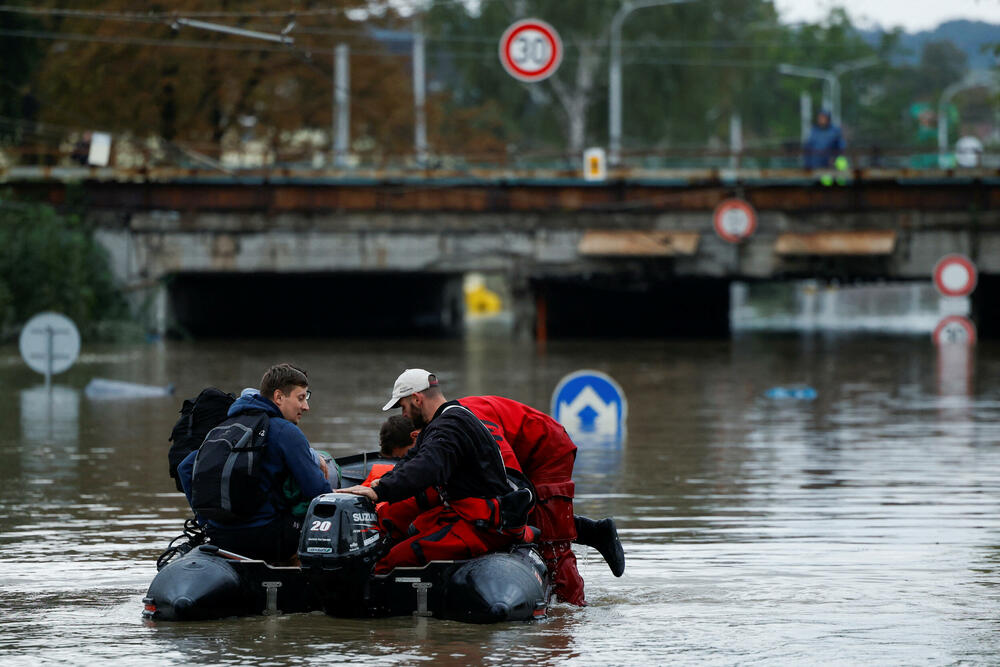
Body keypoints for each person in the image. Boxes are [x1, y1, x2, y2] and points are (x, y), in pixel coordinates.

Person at [338, 369, 527, 573]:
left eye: (403, 407)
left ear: (417, 399)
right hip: (463, 513)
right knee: (395, 522)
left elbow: (428, 466)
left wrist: (381, 490)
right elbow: (412, 460)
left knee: (392, 561)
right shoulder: (446, 420)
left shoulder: (450, 426)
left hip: (480, 525)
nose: (404, 415)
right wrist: (380, 483)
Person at [458, 395, 625, 607]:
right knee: (532, 520)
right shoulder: (444, 424)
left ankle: (573, 612)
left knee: (553, 545)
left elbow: (510, 475)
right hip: (528, 448)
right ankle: (590, 531)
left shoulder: (459, 421)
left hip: (548, 448)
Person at [177, 363, 331, 562]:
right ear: (278, 397)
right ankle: (299, 578)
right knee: (319, 520)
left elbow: (186, 468)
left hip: (220, 537)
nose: (306, 407)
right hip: (265, 537)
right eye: (301, 398)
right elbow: (318, 491)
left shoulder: (225, 427)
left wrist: (207, 523)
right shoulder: (286, 431)